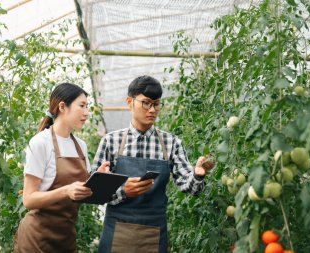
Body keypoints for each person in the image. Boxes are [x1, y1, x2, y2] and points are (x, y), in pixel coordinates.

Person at [92, 75, 215, 253]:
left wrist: (197, 175)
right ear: (129, 102)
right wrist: (123, 191)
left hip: (153, 231)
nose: (152, 110)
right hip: (117, 229)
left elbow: (191, 189)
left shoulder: (170, 143)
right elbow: (95, 194)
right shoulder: (111, 142)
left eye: (156, 104)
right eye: (146, 103)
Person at [14, 83, 108, 253]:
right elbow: (28, 200)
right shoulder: (40, 143)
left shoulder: (81, 146)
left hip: (66, 238)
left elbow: (78, 191)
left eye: (87, 106)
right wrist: (66, 191)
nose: (86, 112)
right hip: (36, 239)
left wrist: (98, 180)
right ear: (62, 107)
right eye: (82, 106)